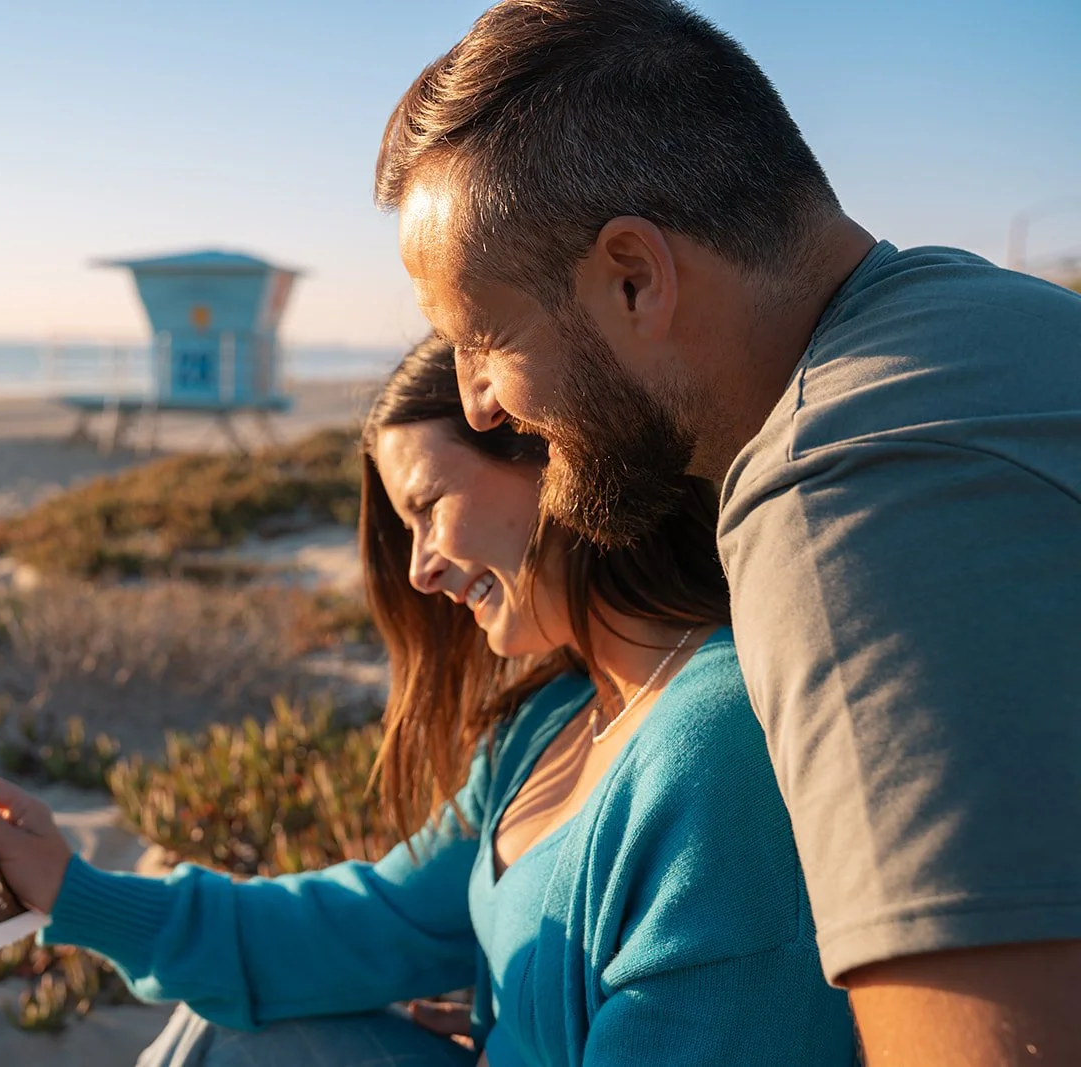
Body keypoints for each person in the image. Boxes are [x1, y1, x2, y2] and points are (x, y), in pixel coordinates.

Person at [373, 2, 1081, 1063]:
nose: (475, 402)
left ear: (634, 277)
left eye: (485, 338)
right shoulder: (992, 322)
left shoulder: (833, 502)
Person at [0, 337, 855, 1066]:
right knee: (223, 1035)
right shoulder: (548, 722)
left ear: (552, 456)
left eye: (428, 505)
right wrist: (77, 892)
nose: (422, 566)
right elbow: (370, 919)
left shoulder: (720, 741)